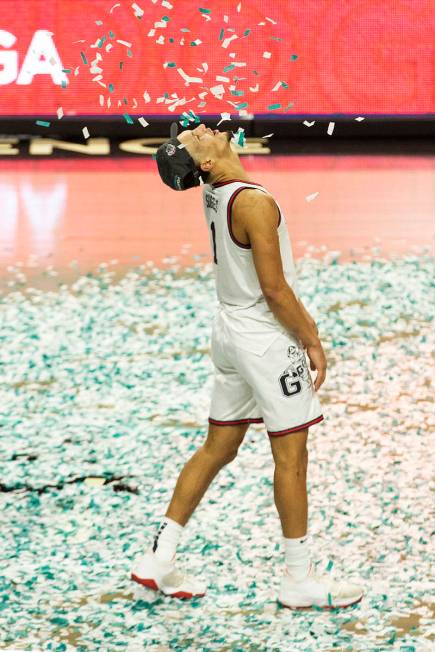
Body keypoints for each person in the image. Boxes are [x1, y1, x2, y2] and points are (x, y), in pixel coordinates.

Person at [130, 124, 363, 609]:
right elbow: (275, 290)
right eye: (194, 139)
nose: (200, 128)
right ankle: (298, 581)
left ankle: (159, 557)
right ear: (206, 164)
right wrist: (312, 338)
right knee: (292, 457)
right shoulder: (254, 202)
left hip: (229, 331)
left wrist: (186, 152)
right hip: (264, 340)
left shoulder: (215, 193)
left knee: (218, 445)